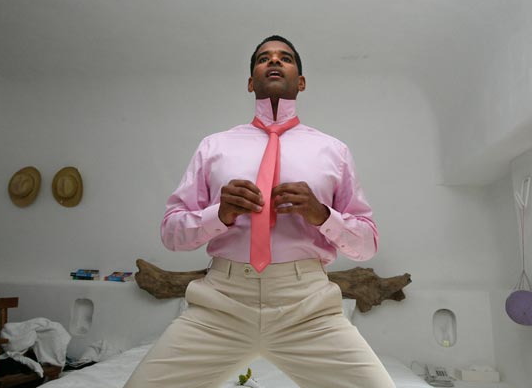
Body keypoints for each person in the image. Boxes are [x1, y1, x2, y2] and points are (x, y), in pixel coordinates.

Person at [124, 36, 395, 388]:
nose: (274, 61)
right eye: (264, 58)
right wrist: (219, 214)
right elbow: (171, 234)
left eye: (285, 58)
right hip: (220, 304)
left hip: (308, 308)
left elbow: (367, 244)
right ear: (251, 82)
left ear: (301, 82)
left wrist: (322, 214)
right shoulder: (214, 147)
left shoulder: (334, 151)